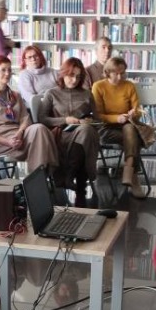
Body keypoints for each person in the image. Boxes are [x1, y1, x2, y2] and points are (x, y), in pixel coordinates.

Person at [0, 55, 60, 178]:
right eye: (3, 70)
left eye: (9, 70)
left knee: (40, 128)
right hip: (1, 142)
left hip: (20, 137)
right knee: (42, 137)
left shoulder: (15, 95)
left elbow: (25, 119)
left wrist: (20, 132)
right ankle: (44, 178)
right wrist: (8, 142)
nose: (7, 73)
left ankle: (38, 179)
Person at [39, 57, 100, 207]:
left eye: (78, 77)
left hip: (82, 133)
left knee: (87, 131)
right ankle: (79, 185)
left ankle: (70, 175)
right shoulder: (52, 93)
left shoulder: (87, 94)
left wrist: (89, 121)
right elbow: (42, 119)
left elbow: (98, 119)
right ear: (63, 73)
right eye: (71, 75)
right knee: (86, 136)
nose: (74, 80)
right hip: (61, 135)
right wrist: (65, 120)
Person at [91, 56, 146, 198]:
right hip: (106, 128)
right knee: (135, 138)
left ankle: (129, 170)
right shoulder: (99, 86)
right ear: (108, 72)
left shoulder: (129, 86)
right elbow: (98, 115)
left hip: (127, 125)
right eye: (116, 73)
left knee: (130, 129)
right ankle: (133, 177)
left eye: (122, 73)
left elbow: (138, 110)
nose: (120, 77)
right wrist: (117, 118)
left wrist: (133, 114)